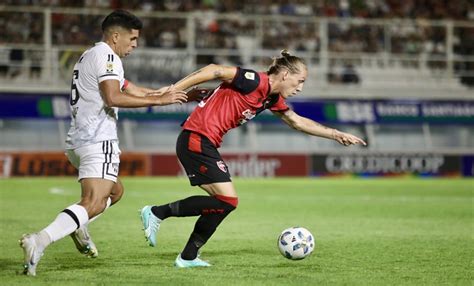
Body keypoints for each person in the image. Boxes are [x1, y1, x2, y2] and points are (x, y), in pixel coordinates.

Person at [139, 50, 366, 268]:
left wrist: (336, 134)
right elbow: (214, 70)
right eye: (300, 81)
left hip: (203, 142)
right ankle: (158, 213)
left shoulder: (271, 97)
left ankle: (188, 257)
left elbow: (296, 121)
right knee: (227, 201)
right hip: (196, 138)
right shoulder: (254, 81)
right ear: (285, 75)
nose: (301, 88)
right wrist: (171, 91)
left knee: (223, 204)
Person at [19, 10, 187, 276]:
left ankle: (78, 225)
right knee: (94, 202)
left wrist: (162, 92)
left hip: (78, 141)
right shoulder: (108, 57)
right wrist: (157, 101)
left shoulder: (91, 55)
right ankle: (40, 240)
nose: (135, 45)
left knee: (115, 192)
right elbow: (113, 97)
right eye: (132, 39)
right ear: (116, 36)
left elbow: (130, 89)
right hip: (98, 139)